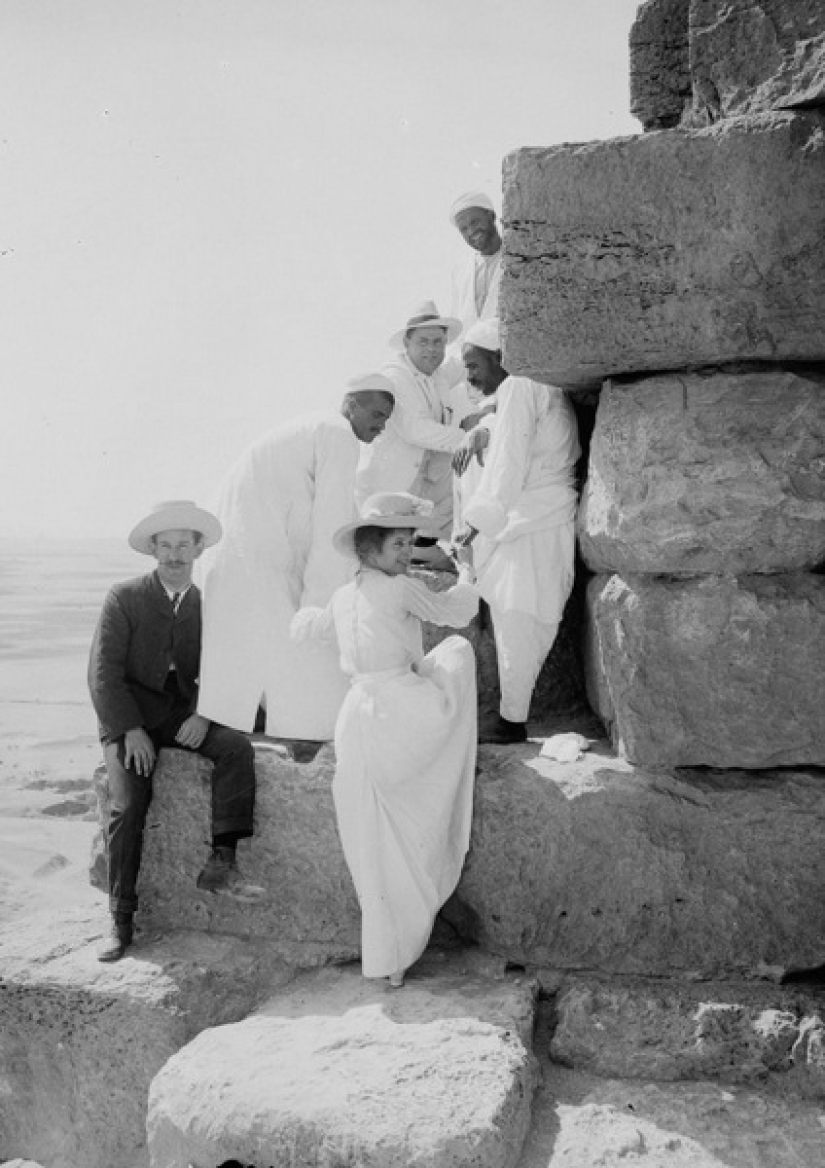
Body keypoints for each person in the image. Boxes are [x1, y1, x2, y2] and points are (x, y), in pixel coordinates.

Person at [291, 493, 479, 987]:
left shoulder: (343, 595)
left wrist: (299, 616)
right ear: (370, 551)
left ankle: (386, 954)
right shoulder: (399, 589)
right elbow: (456, 614)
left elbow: (314, 631)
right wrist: (467, 573)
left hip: (356, 716)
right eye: (398, 543)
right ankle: (399, 949)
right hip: (398, 709)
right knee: (457, 654)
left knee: (370, 834)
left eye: (409, 542)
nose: (406, 552)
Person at [88, 500, 261, 963]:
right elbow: (104, 676)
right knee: (128, 806)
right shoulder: (124, 598)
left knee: (235, 749)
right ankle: (120, 920)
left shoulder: (207, 605)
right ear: (153, 551)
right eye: (166, 546)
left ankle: (222, 862)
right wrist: (129, 731)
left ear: (197, 550)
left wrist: (205, 713)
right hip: (127, 719)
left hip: (181, 714)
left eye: (184, 545)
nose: (175, 555)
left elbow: (225, 668)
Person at [196, 378, 395, 742]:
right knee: (309, 655)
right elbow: (332, 530)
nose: (382, 426)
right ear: (351, 404)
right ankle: (304, 730)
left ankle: (263, 720)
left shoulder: (312, 427)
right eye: (377, 414)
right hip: (260, 558)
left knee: (257, 649)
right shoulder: (338, 434)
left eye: (387, 419)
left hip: (235, 553)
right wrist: (320, 609)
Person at [453, 320, 580, 745]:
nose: (470, 377)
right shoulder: (536, 388)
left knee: (520, 615)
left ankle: (511, 720)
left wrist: (476, 524)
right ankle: (512, 713)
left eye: (474, 365)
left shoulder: (521, 387)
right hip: (540, 517)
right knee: (524, 615)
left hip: (535, 519)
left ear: (499, 357)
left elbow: (510, 462)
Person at [356, 302, 472, 543]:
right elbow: (415, 430)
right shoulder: (396, 376)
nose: (431, 349)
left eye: (438, 342)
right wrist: (468, 438)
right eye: (423, 342)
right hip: (387, 488)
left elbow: (466, 361)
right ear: (407, 344)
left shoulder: (436, 375)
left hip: (421, 489)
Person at [449, 191, 503, 337]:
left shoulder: (518, 260)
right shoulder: (460, 271)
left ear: (491, 216)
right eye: (464, 229)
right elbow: (457, 324)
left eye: (475, 222)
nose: (471, 231)